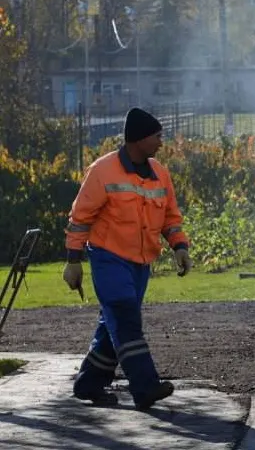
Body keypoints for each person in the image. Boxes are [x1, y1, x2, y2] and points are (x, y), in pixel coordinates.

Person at [65, 107, 192, 410]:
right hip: (108, 258)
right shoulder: (103, 170)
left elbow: (170, 217)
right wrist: (73, 261)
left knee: (113, 325)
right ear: (138, 139)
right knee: (124, 317)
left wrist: (179, 246)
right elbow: (80, 218)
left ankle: (88, 383)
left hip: (140, 263)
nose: (162, 141)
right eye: (157, 136)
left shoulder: (160, 172)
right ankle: (145, 386)